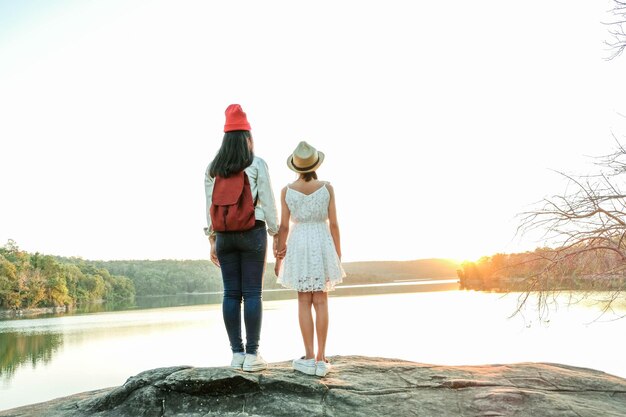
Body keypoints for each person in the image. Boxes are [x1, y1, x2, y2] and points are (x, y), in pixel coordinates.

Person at [204, 104, 279, 372]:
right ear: (247, 136)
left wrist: (212, 240)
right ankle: (252, 355)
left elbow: (208, 206)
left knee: (230, 294)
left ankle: (236, 354)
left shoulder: (213, 168)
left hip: (224, 236)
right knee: (252, 293)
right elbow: (268, 203)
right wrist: (276, 232)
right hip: (253, 233)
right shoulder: (256, 164)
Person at [274, 141, 345, 377]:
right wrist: (337, 252)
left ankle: (308, 356)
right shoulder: (327, 188)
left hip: (299, 240)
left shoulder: (286, 190)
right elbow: (333, 223)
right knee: (321, 300)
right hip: (321, 240)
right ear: (316, 164)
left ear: (296, 166)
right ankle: (322, 358)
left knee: (304, 300)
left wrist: (279, 257)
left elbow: (284, 226)